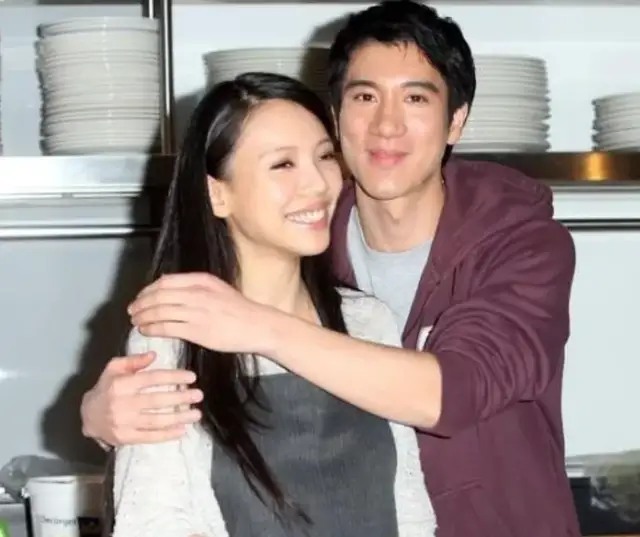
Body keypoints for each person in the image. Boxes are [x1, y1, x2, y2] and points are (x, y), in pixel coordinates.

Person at [82, 1, 581, 535]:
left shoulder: (521, 246)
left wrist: (257, 326)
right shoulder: (307, 225)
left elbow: (452, 392)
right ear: (336, 115)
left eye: (415, 98)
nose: (387, 125)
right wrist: (100, 415)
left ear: (455, 119)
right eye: (365, 97)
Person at [109, 71, 436, 537]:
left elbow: (410, 509)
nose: (319, 183)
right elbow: (153, 523)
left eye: (325, 156)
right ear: (217, 193)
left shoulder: (367, 321)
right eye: (283, 164)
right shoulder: (172, 334)